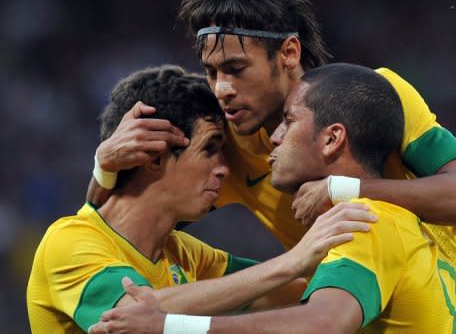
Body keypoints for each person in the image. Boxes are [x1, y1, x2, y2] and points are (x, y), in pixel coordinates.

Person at [86, 0, 456, 326]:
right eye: (212, 72)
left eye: (236, 68)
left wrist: (345, 191)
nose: (221, 89)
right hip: (358, 309)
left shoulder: (375, 96)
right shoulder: (223, 144)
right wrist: (104, 167)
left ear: (288, 52)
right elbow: (120, 223)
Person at [26, 65, 373, 333]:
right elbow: (135, 314)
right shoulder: (68, 242)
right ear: (153, 157)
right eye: (210, 149)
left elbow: (288, 290)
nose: (224, 170)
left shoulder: (186, 254)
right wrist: (293, 260)